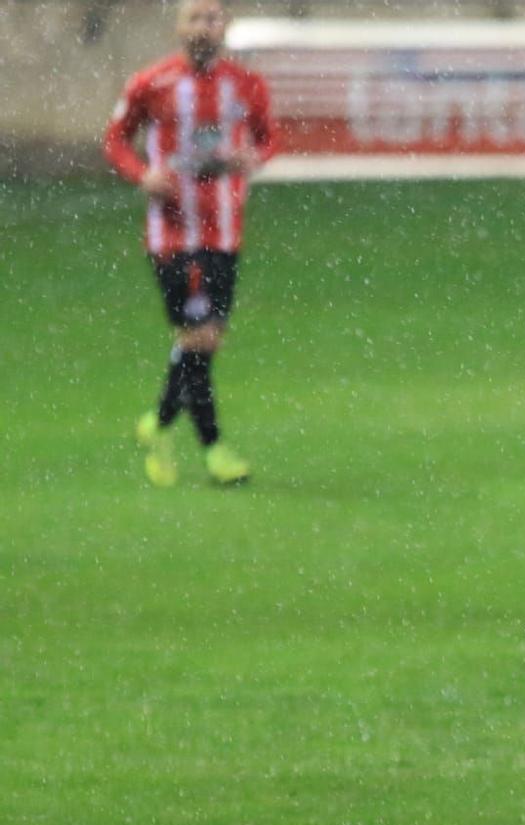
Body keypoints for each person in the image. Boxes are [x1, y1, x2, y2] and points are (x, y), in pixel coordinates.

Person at [104, 0, 274, 488]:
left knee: (204, 340)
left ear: (225, 26)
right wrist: (144, 174)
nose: (205, 26)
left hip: (224, 232)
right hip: (173, 234)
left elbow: (268, 139)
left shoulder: (245, 85)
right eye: (196, 17)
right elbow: (116, 140)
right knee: (199, 337)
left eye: (213, 17)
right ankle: (214, 448)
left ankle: (157, 423)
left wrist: (250, 156)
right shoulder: (152, 83)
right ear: (180, 27)